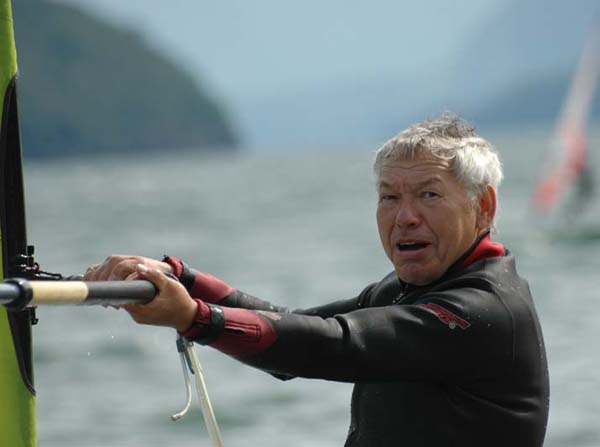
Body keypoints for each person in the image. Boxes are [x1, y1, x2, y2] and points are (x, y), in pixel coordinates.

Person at [85, 114, 549, 446]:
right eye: (389, 197)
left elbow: (334, 344)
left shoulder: (481, 311)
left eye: (428, 195)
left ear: (483, 207)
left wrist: (194, 318)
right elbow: (293, 329)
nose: (405, 217)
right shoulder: (405, 292)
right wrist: (184, 279)